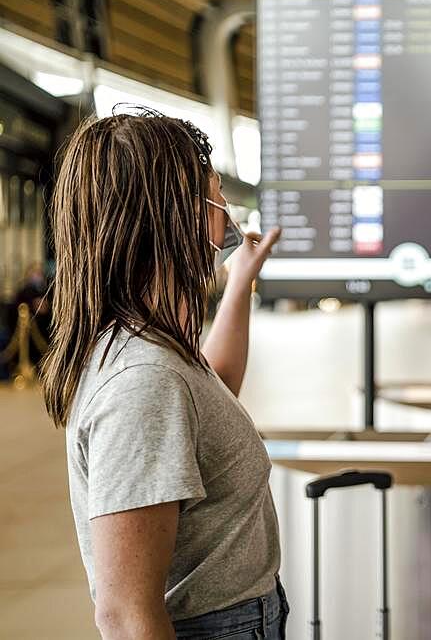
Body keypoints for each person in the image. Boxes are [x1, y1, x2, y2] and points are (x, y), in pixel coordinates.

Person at [40, 107, 286, 639]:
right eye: (214, 197)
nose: (226, 217)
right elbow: (127, 616)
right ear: (171, 214)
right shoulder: (143, 381)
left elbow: (213, 390)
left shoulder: (156, 348)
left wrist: (240, 280)